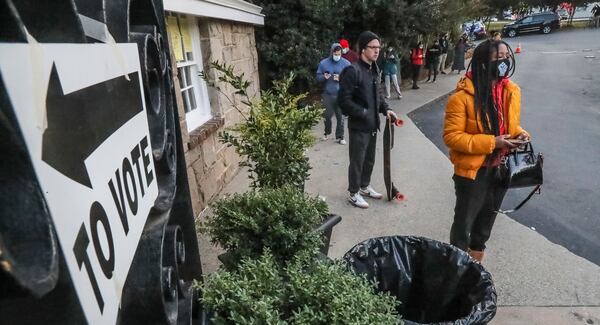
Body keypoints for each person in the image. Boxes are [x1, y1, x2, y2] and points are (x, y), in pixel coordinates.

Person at [443, 40, 529, 263]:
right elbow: (452, 137)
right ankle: (456, 269)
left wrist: (519, 134)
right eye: (497, 57)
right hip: (473, 173)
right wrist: (493, 143)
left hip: (499, 168)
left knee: (485, 225)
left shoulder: (510, 90)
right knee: (464, 225)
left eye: (505, 55)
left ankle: (475, 267)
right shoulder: (461, 98)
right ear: (482, 64)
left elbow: (508, 125)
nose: (504, 61)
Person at [338, 31, 397, 209]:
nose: (377, 51)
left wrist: (387, 109)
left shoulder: (374, 69)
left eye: (379, 47)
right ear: (363, 49)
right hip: (359, 126)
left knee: (369, 159)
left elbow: (378, 93)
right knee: (357, 160)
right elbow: (343, 101)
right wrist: (362, 112)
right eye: (373, 47)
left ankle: (364, 186)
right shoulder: (352, 71)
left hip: (372, 125)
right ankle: (354, 193)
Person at [316, 43, 351, 144]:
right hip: (327, 94)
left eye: (339, 53)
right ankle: (327, 132)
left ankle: (340, 136)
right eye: (335, 53)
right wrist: (323, 77)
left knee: (341, 116)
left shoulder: (346, 63)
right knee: (327, 116)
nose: (337, 55)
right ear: (331, 53)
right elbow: (318, 77)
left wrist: (341, 78)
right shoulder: (324, 63)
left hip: (341, 94)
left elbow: (350, 79)